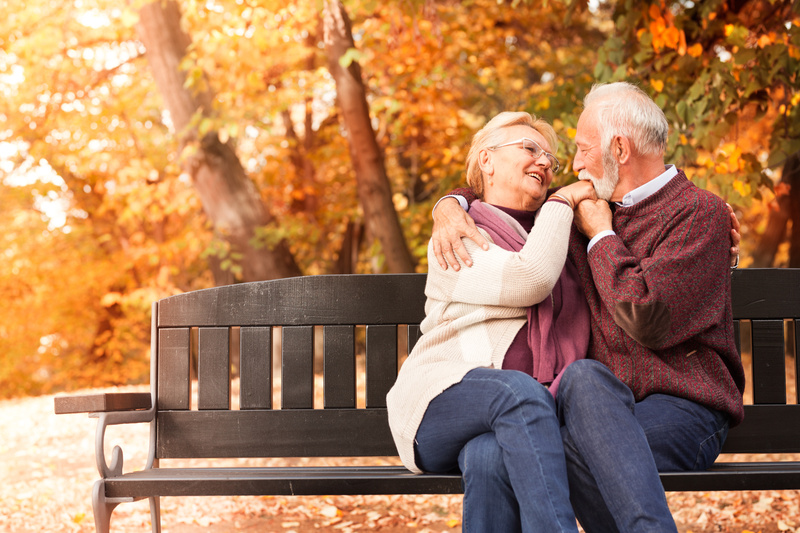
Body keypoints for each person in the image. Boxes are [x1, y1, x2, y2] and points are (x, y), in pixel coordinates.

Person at [430, 81, 746, 532]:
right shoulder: (581, 207)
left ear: (619, 148)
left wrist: (602, 236)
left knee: (561, 433)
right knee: (493, 452)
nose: (573, 166)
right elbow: (506, 186)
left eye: (581, 150)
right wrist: (450, 204)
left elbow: (647, 317)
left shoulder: (698, 214)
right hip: (588, 408)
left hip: (682, 408)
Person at [386, 111, 596, 533]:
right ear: (487, 160)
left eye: (551, 160)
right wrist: (559, 201)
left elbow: (633, 201)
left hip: (518, 421)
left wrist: (718, 219)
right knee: (516, 393)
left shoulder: (559, 233)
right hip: (440, 401)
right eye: (529, 148)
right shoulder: (458, 233)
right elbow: (529, 279)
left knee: (489, 459)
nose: (544, 162)